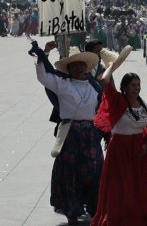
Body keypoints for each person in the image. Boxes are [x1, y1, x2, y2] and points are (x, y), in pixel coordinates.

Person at [31, 40, 103, 224]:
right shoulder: (62, 83)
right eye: (74, 65)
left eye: (81, 64)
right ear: (68, 69)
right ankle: (72, 212)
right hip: (70, 134)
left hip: (90, 134)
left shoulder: (95, 86)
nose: (78, 68)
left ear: (86, 67)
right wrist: (44, 53)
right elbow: (43, 76)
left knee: (94, 172)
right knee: (70, 173)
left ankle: (94, 209)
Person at [91, 70, 147, 226]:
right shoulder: (117, 100)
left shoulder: (144, 106)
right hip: (119, 151)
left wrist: (146, 144)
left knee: (140, 187)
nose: (137, 88)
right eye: (133, 85)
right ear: (125, 87)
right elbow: (104, 79)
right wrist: (113, 64)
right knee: (120, 187)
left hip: (139, 152)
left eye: (138, 85)